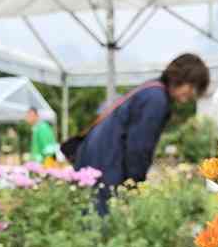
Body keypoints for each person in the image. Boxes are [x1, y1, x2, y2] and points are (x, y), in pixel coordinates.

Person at [74, 53, 210, 215]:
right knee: (101, 222)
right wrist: (135, 186)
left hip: (95, 161)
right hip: (106, 165)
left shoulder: (151, 89)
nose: (192, 95)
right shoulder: (156, 99)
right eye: (193, 88)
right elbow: (139, 148)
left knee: (89, 217)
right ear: (181, 79)